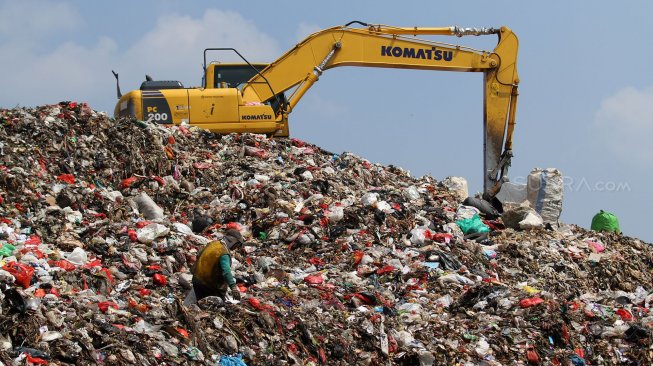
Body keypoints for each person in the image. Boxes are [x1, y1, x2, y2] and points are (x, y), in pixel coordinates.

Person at [188, 229, 243, 303]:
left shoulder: (213, 243)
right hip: (209, 285)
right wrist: (233, 287)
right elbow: (226, 271)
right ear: (233, 241)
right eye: (237, 245)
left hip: (196, 279)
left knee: (200, 303)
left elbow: (198, 255)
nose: (236, 248)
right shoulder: (223, 253)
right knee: (215, 307)